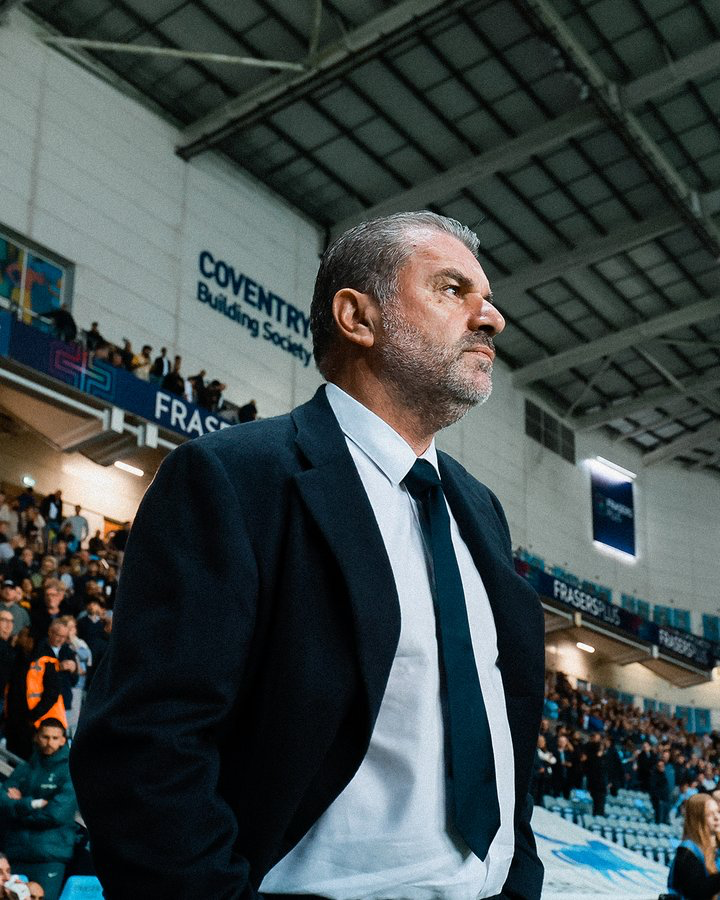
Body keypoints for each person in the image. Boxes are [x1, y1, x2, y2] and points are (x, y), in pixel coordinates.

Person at [71, 211, 546, 899]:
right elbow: (145, 748)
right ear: (358, 317)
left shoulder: (480, 510)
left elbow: (509, 726)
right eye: (452, 289)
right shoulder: (234, 478)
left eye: (488, 298)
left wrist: (517, 875)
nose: (492, 318)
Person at [0, 718, 78, 900]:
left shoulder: (69, 771)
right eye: (45, 737)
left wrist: (18, 807)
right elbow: (3, 803)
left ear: (62, 740)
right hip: (17, 853)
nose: (49, 742)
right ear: (36, 737)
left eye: (54, 738)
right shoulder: (24, 769)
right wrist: (32, 804)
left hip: (49, 857)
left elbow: (56, 814)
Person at [666, 793, 720, 899]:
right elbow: (696, 892)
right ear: (697, 819)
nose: (716, 817)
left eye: (718, 812)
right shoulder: (687, 851)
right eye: (709, 814)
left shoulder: (717, 848)